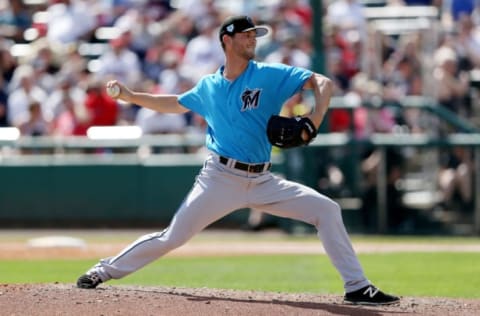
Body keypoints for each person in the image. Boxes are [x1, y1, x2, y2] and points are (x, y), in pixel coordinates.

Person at [76, 15, 399, 306]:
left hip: (263, 181)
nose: (252, 40)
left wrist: (314, 118)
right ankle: (102, 271)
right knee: (172, 237)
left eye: (254, 36)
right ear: (226, 41)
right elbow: (174, 103)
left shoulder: (270, 75)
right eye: (245, 35)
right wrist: (131, 96)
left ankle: (357, 286)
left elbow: (323, 83)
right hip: (219, 179)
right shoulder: (209, 86)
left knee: (327, 210)